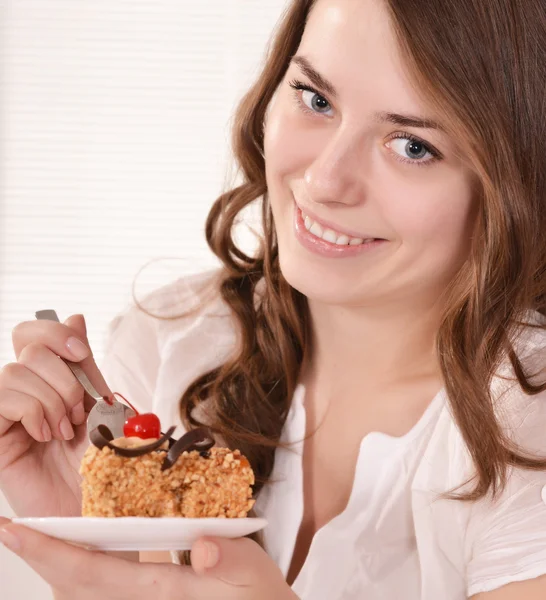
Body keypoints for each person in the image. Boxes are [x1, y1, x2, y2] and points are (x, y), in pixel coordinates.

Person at [1, 0, 545, 598]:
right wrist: (99, 542)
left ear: (516, 180)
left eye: (413, 145)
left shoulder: (528, 424)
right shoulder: (168, 342)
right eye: (316, 99)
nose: (325, 180)